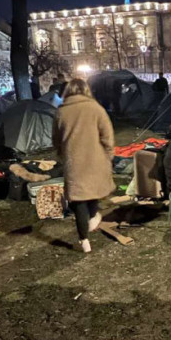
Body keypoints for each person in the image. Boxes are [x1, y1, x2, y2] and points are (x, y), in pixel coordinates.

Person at [53, 78, 115, 253]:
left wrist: (62, 154)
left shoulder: (61, 112)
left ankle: (84, 240)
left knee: (79, 201)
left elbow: (56, 139)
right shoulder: (96, 109)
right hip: (95, 159)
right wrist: (108, 155)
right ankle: (94, 216)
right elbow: (107, 135)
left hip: (73, 161)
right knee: (92, 192)